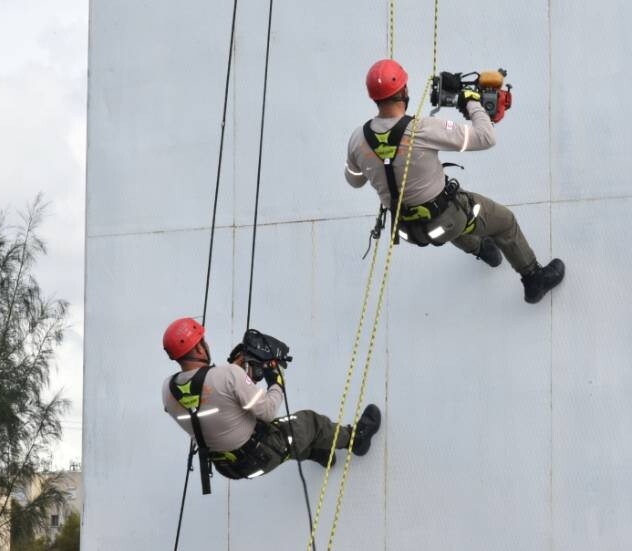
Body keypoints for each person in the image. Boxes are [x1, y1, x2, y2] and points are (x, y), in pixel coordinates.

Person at [344, 59, 565, 303]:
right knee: (503, 222)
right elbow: (485, 137)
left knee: (447, 219)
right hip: (445, 220)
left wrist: (374, 165)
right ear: (404, 91)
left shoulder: (358, 139)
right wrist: (471, 100)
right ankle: (533, 279)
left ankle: (483, 250)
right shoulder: (422, 129)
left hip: (409, 229)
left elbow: (354, 180)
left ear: (373, 97)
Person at [161, 317, 381, 482]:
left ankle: (320, 454)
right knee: (309, 423)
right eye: (203, 341)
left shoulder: (168, 390)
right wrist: (275, 381)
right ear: (199, 347)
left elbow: (211, 398)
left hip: (228, 467)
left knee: (285, 436)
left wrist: (237, 378)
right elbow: (267, 411)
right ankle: (356, 440)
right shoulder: (227, 375)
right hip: (260, 454)